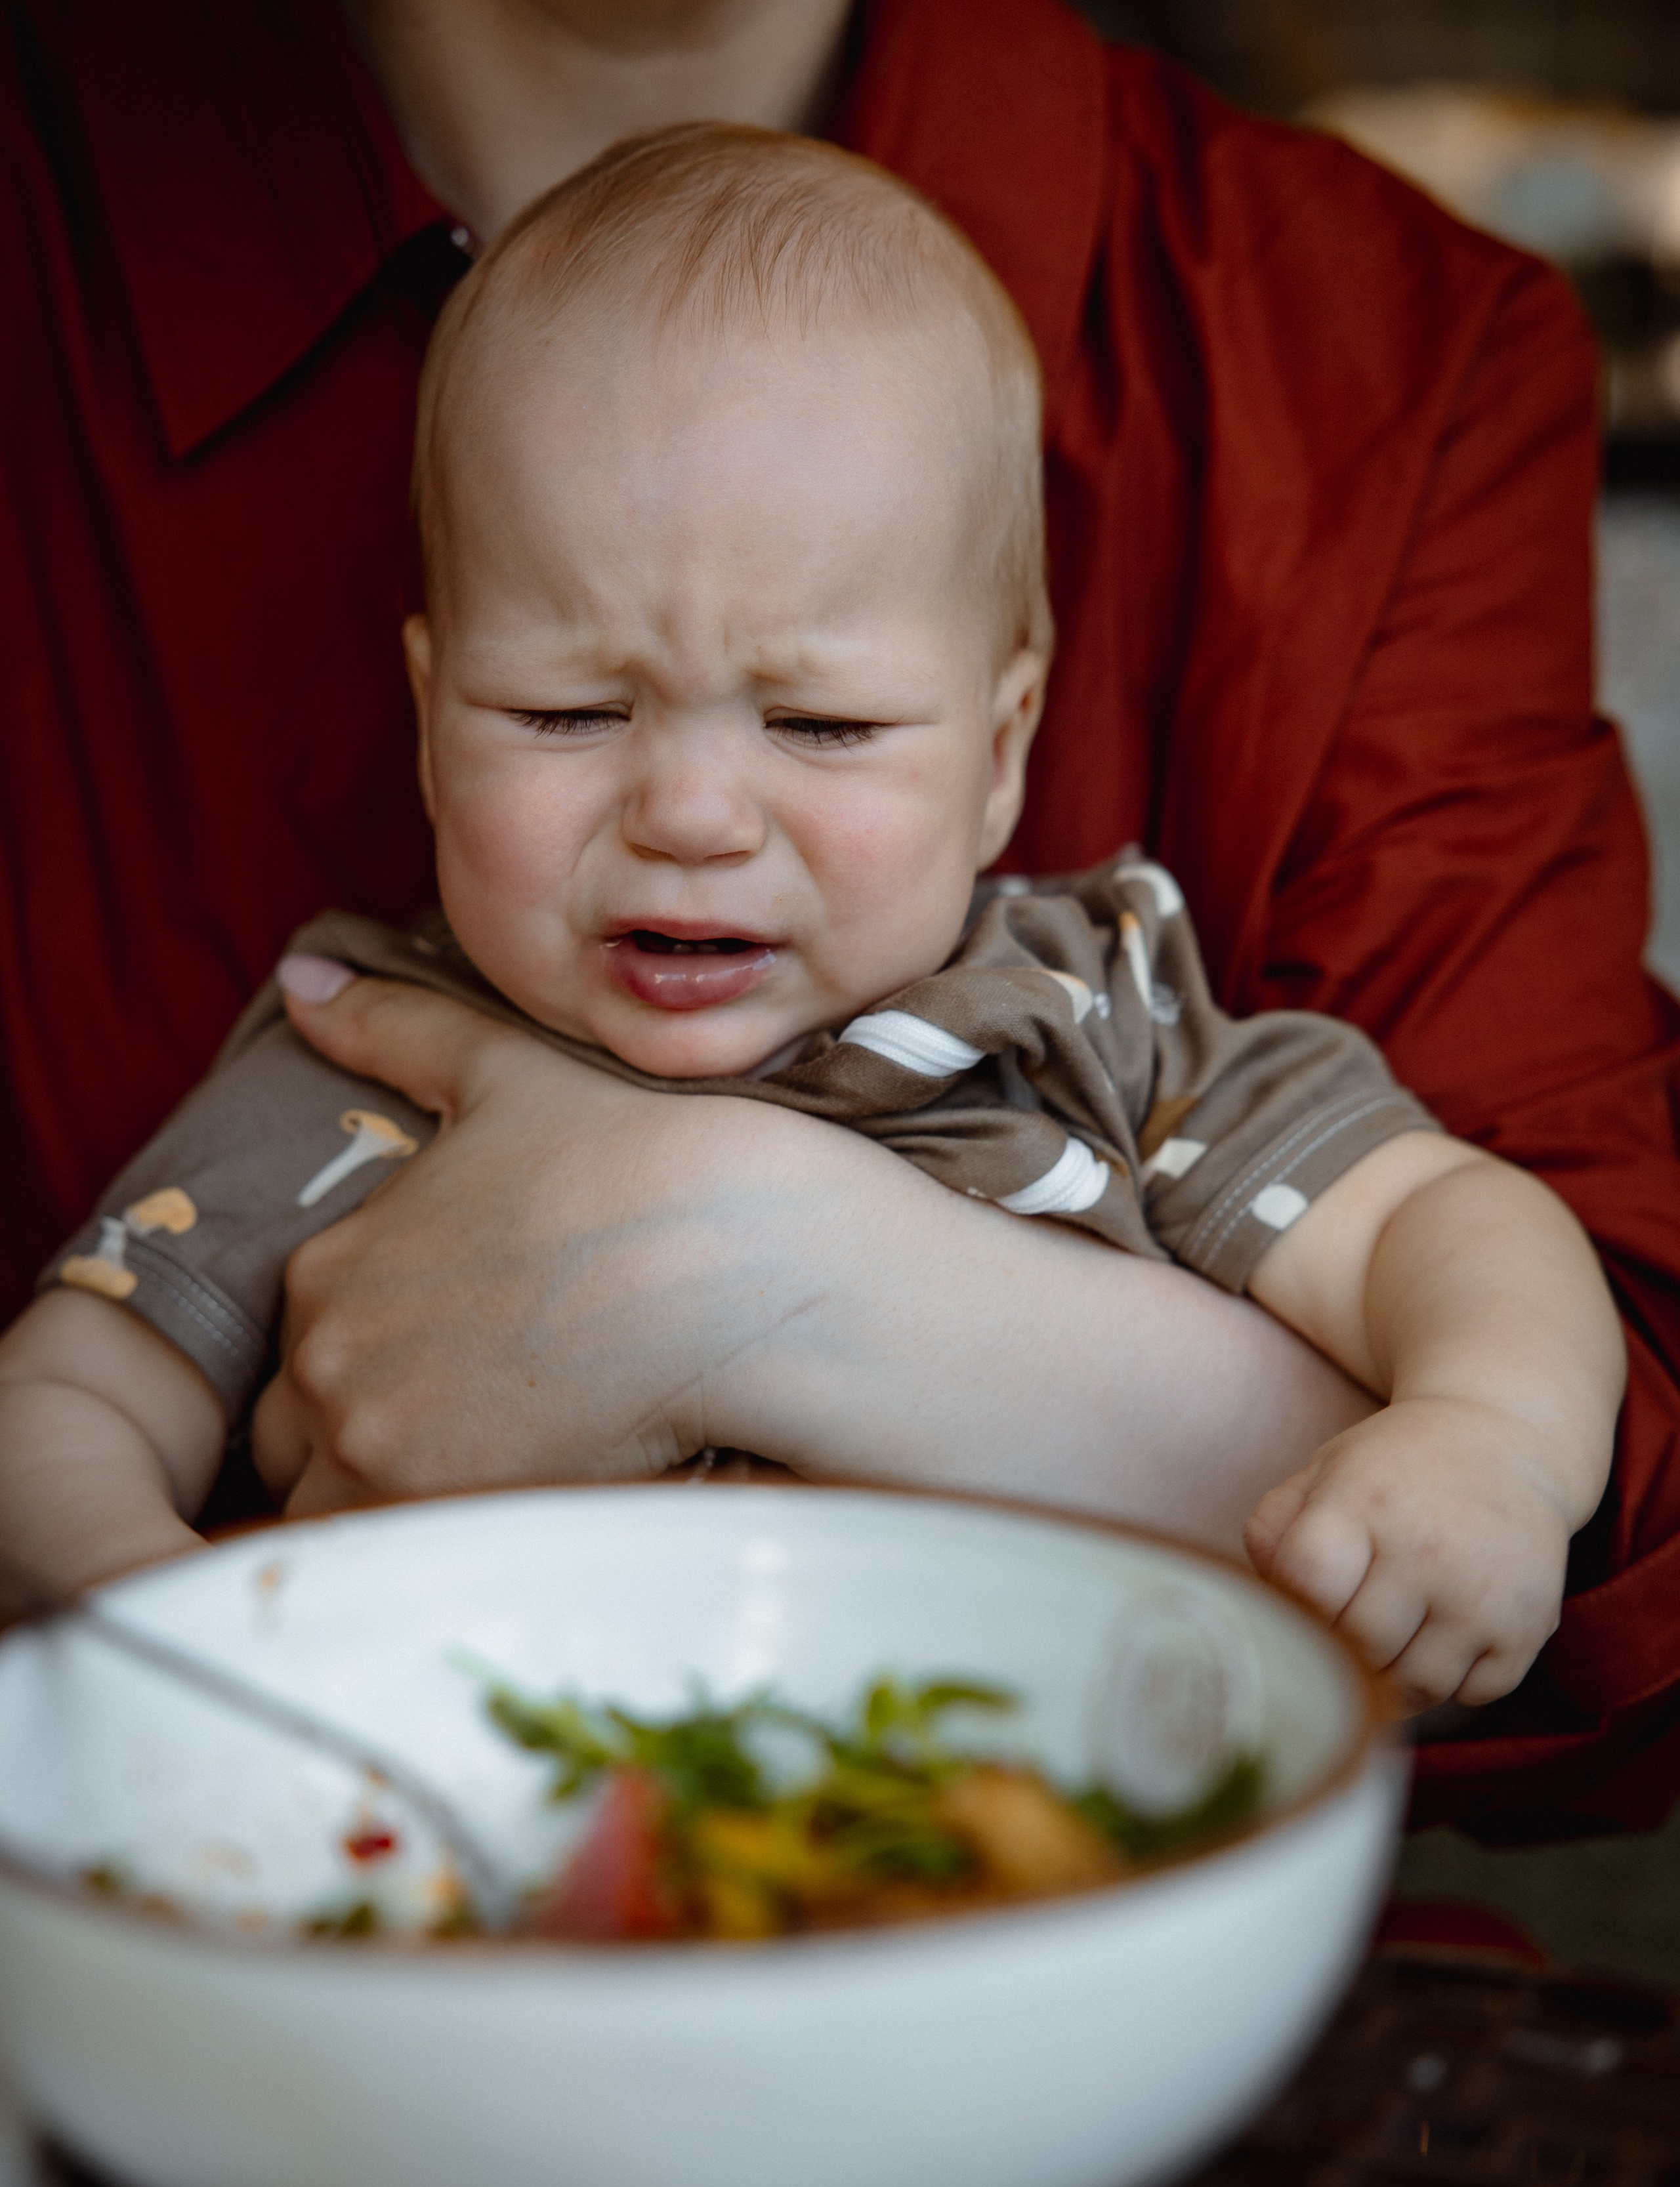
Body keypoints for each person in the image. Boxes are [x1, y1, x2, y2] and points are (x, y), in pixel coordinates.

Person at [1, 0, 1677, 1833]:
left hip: (1009, 1866)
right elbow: (68, 1395)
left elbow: (1451, 1222)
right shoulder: (344, 1044)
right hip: (475, 1875)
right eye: (567, 713)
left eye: (820, 725)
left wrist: (1490, 1439)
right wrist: (163, 1628)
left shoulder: (1084, 1005)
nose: (694, 812)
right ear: (424, 714)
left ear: (1003, 745)